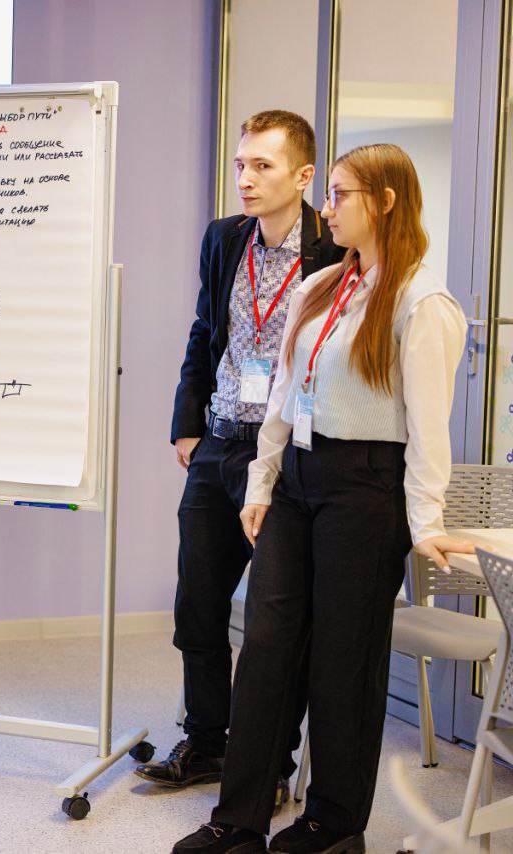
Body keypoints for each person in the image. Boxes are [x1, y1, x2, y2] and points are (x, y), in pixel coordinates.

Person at [172, 144, 474, 854]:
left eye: (340, 195)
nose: (328, 210)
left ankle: (333, 825)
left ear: (386, 202)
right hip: (298, 479)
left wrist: (426, 520)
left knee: (344, 658)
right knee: (268, 645)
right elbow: (284, 394)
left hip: (366, 487)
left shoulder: (423, 302)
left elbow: (429, 427)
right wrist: (263, 482)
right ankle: (238, 819)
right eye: (330, 194)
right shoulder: (323, 285)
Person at [141, 111, 342, 806]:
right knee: (197, 605)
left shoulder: (333, 248)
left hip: (286, 454)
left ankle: (271, 764)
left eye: (263, 166)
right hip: (219, 442)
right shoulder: (224, 237)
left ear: (304, 176)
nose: (246, 179)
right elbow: (206, 329)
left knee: (275, 624)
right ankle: (206, 742)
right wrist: (187, 424)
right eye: (240, 165)